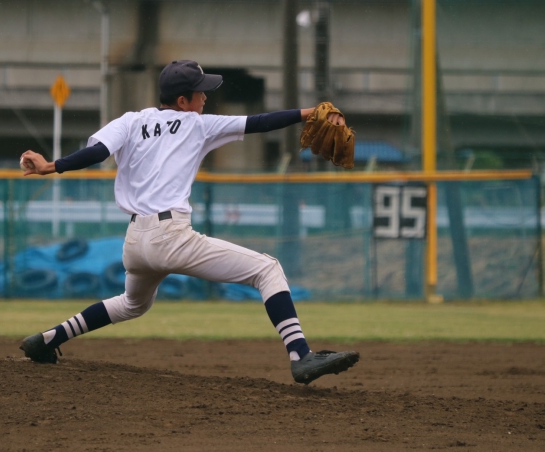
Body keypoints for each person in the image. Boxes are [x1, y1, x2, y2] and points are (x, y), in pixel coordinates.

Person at [19, 60, 359, 384]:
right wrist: (311, 112)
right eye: (200, 92)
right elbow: (260, 122)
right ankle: (301, 355)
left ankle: (48, 339)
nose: (205, 97)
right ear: (183, 101)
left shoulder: (131, 121)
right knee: (267, 270)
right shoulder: (198, 125)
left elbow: (96, 153)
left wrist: (51, 166)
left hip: (135, 241)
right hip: (170, 236)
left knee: (132, 304)